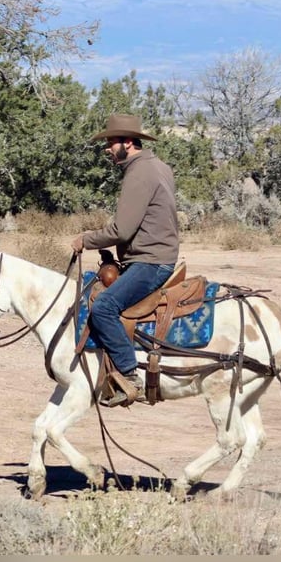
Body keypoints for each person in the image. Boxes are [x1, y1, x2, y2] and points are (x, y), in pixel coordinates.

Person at [71, 114, 179, 406]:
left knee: (104, 307)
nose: (107, 148)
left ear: (127, 142)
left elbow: (122, 229)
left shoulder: (139, 173)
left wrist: (86, 239)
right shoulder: (158, 166)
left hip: (150, 261)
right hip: (156, 254)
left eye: (110, 142)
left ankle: (130, 377)